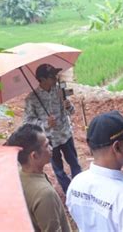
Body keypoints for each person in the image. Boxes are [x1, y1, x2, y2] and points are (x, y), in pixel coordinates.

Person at [23, 63, 81, 193]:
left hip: (65, 135)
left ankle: (80, 189)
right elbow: (27, 122)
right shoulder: (31, 99)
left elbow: (71, 112)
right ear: (42, 79)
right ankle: (69, 192)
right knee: (59, 170)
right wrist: (46, 123)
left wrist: (69, 106)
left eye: (55, 75)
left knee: (75, 164)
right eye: (52, 76)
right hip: (49, 141)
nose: (56, 78)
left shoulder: (59, 91)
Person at [6, 124, 71, 232]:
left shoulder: (16, 176)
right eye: (46, 145)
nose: (51, 148)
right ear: (34, 156)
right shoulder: (44, 194)